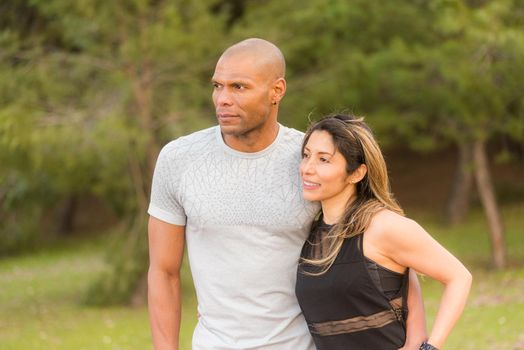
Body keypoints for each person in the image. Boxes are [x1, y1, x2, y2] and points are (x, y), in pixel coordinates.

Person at [147, 38, 426, 350]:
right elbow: (163, 271)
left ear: (276, 91)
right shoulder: (179, 159)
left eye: (239, 87)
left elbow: (389, 246)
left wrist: (417, 340)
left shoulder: (311, 160)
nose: (222, 99)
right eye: (217, 86)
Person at [296, 114, 472, 350]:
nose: (307, 168)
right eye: (306, 155)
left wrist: (430, 347)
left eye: (324, 159)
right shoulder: (313, 233)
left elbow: (459, 277)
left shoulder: (382, 226)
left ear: (357, 173)